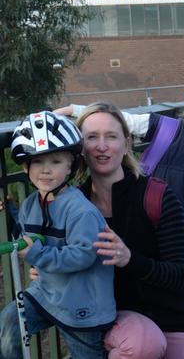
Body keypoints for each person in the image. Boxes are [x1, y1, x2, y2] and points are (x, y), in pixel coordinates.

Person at [55, 75, 184, 285]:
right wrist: (73, 110)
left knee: (182, 280)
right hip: (148, 222)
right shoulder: (165, 129)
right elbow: (119, 119)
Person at [69, 102, 184, 358]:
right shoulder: (72, 206)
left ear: (126, 144)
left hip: (174, 317)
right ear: (80, 148)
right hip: (120, 327)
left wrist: (129, 259)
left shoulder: (156, 194)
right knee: (141, 345)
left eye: (111, 136)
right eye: (91, 137)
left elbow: (178, 274)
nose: (102, 146)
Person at [0, 112, 114, 358]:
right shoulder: (31, 204)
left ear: (71, 165)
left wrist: (38, 253)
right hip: (47, 294)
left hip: (82, 303)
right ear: (24, 166)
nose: (46, 171)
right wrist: (10, 213)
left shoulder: (81, 211)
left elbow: (83, 255)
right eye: (38, 162)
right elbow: (26, 236)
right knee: (11, 320)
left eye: (55, 162)